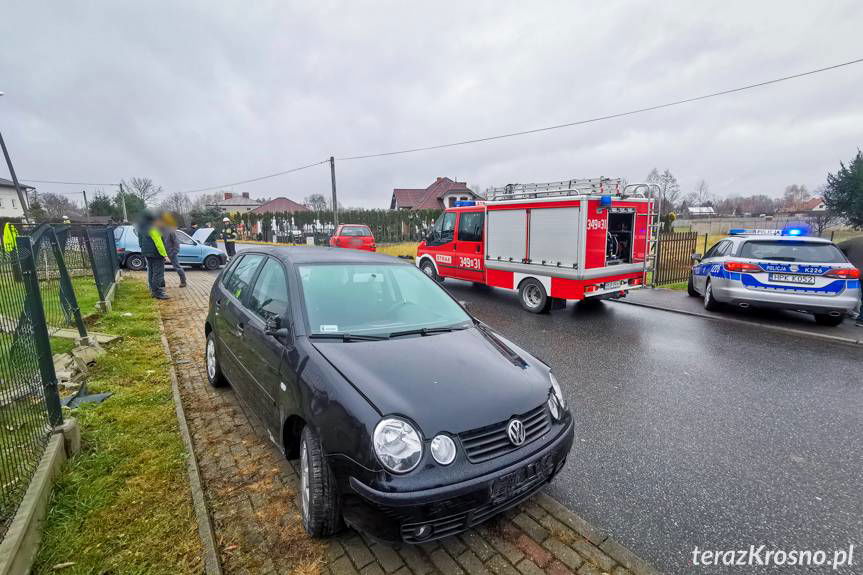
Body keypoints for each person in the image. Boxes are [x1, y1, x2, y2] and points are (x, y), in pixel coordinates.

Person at [137, 211, 169, 299]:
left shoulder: (141, 228)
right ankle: (158, 293)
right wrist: (165, 255)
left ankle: (153, 290)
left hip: (147, 253)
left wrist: (144, 249)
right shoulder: (153, 228)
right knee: (158, 273)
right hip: (156, 254)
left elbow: (140, 241)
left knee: (151, 272)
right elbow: (158, 242)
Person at [837, 236, 863, 327]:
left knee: (849, 294)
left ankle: (847, 313)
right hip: (854, 274)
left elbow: (836, 248)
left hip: (852, 274)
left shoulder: (854, 241)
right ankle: (861, 319)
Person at [162, 213, 187, 288]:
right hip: (161, 253)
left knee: (177, 267)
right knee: (160, 269)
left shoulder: (170, 231)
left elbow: (176, 243)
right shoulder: (159, 230)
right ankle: (161, 283)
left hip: (171, 253)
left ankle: (183, 281)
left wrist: (174, 252)